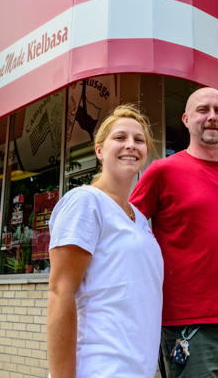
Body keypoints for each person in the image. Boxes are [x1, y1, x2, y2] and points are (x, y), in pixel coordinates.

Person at [130, 87, 218, 377]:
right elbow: (127, 239)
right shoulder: (161, 172)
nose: (211, 117)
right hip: (187, 327)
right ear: (185, 119)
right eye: (202, 110)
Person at [47, 104, 163, 378]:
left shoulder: (139, 218)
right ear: (99, 150)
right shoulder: (85, 202)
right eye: (120, 138)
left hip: (137, 369)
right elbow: (60, 294)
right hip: (98, 368)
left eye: (139, 139)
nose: (131, 145)